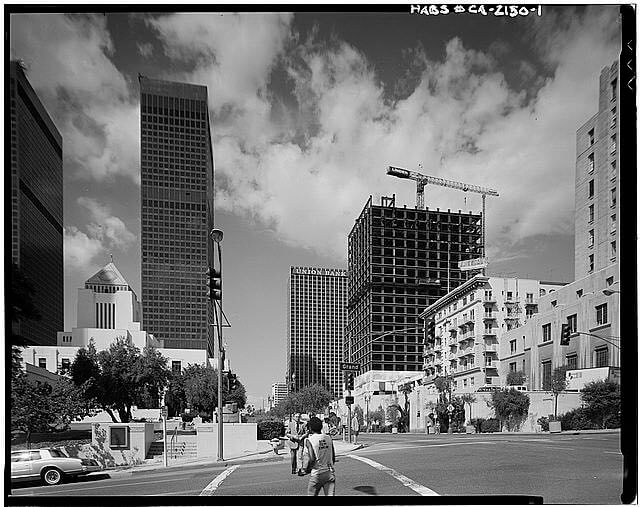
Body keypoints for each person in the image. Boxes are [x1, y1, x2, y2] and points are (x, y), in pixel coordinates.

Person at [302, 416, 336, 496]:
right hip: (329, 473)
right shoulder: (328, 438)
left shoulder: (309, 440)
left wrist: (305, 470)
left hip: (316, 474)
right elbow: (333, 457)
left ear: (310, 428)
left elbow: (312, 458)